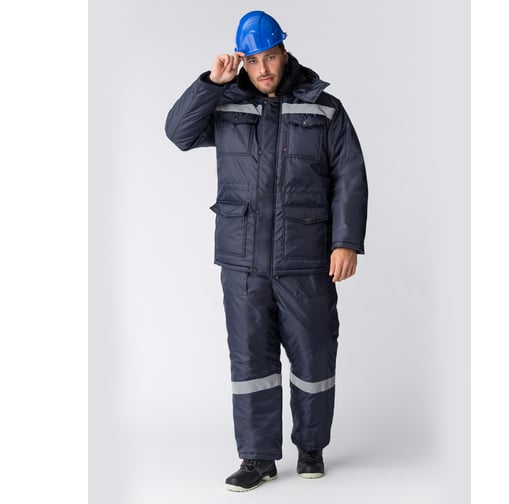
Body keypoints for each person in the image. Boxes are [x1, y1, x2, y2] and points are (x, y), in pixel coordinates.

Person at [165, 10, 368, 492]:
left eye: (270, 57)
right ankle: (257, 458)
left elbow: (350, 176)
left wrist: (345, 242)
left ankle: (311, 447)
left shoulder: (324, 108)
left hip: (306, 257)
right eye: (252, 60)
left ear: (284, 53)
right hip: (243, 262)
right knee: (250, 362)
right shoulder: (226, 105)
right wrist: (211, 84)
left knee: (314, 356)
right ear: (242, 61)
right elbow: (178, 133)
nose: (263, 69)